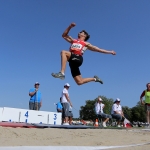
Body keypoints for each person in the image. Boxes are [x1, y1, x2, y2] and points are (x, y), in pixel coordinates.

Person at [52, 22, 116, 85]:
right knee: (79, 82)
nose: (79, 33)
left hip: (78, 58)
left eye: (81, 32)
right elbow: (64, 35)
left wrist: (110, 52)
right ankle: (95, 79)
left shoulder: (86, 43)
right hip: (72, 62)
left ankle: (62, 73)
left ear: (84, 35)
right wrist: (70, 27)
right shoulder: (73, 40)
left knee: (63, 52)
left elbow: (98, 49)